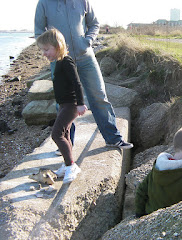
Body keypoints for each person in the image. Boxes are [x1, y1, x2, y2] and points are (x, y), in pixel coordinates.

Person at [34, 0, 133, 151]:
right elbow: (39, 31)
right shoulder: (44, 3)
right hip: (59, 60)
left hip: (85, 57)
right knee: (63, 102)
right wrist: (50, 51)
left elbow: (94, 24)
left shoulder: (83, 1)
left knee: (99, 96)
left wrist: (87, 41)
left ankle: (113, 138)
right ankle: (66, 144)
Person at [36, 29, 87, 183]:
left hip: (71, 105)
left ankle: (71, 166)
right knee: (64, 134)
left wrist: (80, 104)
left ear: (58, 46)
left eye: (46, 49)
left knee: (56, 134)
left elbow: (77, 83)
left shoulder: (66, 61)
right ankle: (68, 164)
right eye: (42, 50)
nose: (44, 53)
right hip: (64, 105)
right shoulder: (58, 62)